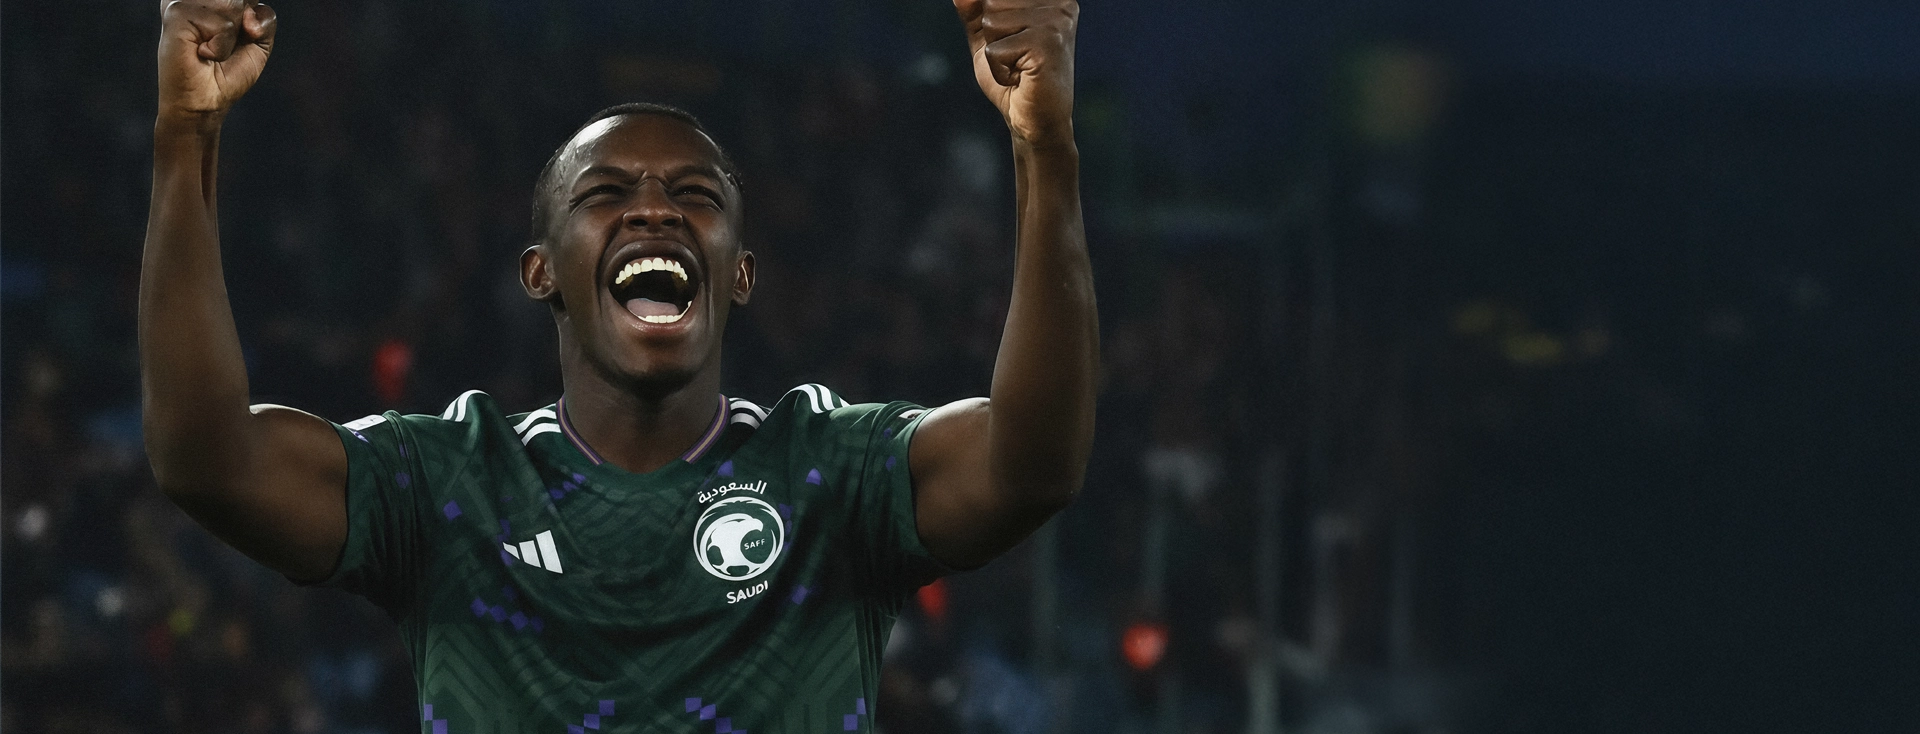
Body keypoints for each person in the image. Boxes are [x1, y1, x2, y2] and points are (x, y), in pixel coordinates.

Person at [138, 0, 1096, 729]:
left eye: (694, 193)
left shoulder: (836, 473)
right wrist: (188, 133)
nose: (654, 209)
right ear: (541, 271)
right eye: (606, 192)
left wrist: (1042, 145)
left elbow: (1033, 462)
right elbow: (210, 460)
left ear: (742, 274)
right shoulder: (448, 483)